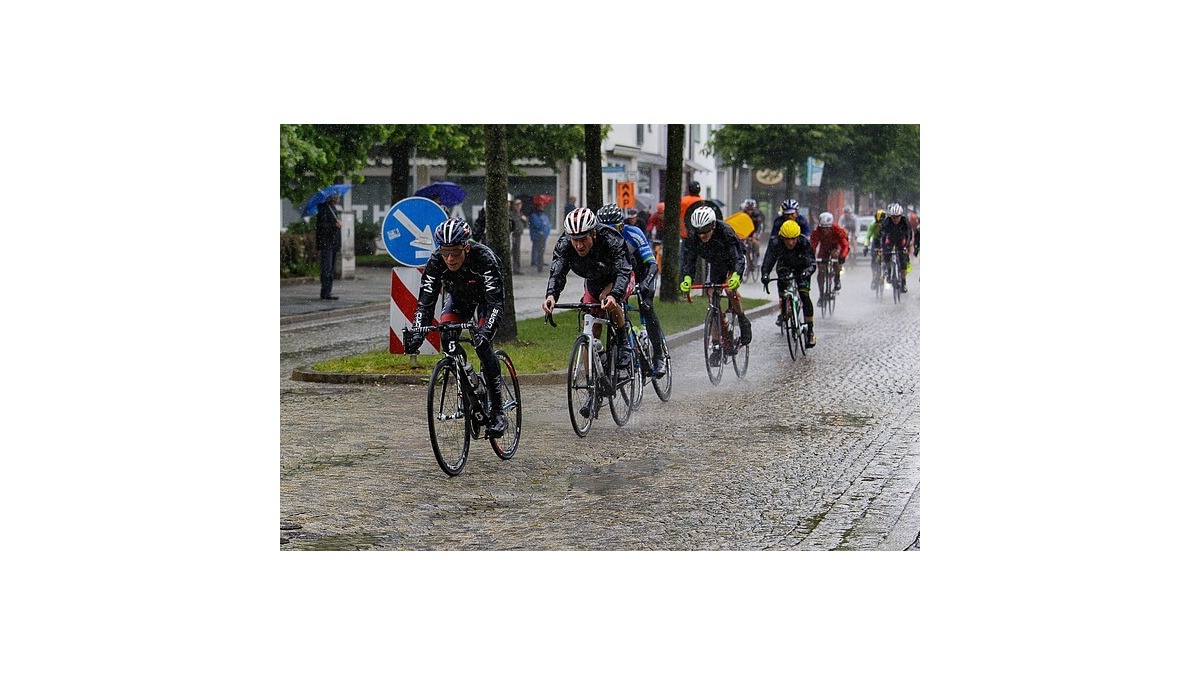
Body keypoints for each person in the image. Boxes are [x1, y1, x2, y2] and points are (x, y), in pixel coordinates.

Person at [403, 218, 509, 437]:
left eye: (455, 253)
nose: (449, 259)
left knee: (482, 345)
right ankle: (466, 376)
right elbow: (426, 301)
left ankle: (498, 412)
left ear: (466, 247)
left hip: (487, 302)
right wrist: (417, 332)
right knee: (447, 337)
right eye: (445, 252)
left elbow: (496, 303)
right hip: (459, 299)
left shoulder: (485, 259)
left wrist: (485, 333)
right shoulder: (436, 262)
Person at [541, 208, 636, 418]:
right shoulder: (566, 245)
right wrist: (551, 296)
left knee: (608, 301)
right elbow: (558, 270)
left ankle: (624, 345)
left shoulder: (610, 239)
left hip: (620, 278)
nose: (579, 245)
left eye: (583, 239)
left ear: (593, 233)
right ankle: (594, 388)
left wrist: (615, 294)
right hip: (594, 281)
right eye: (574, 240)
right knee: (590, 324)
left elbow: (623, 270)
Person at [597, 203, 667, 377]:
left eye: (613, 229)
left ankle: (659, 357)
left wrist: (645, 285)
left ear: (621, 226)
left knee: (646, 305)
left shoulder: (633, 234)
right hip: (618, 275)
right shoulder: (598, 239)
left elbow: (651, 263)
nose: (608, 233)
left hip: (642, 272)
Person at [679, 205, 753, 358]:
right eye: (699, 231)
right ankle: (717, 343)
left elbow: (738, 258)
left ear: (713, 225)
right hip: (716, 263)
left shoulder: (725, 231)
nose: (702, 235)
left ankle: (742, 318)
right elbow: (689, 261)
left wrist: (736, 276)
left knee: (729, 290)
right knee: (712, 296)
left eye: (706, 230)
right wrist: (687, 278)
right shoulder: (694, 237)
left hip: (734, 260)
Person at [760, 219, 817, 348]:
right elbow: (768, 260)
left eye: (793, 239)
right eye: (787, 239)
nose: (790, 242)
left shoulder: (803, 242)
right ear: (782, 237)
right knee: (783, 286)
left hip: (802, 268)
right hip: (784, 266)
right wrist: (765, 274)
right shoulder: (775, 243)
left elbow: (812, 263)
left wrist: (807, 272)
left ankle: (810, 330)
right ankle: (784, 309)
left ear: (797, 237)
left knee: (804, 295)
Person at [810, 211, 851, 294]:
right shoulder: (817, 230)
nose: (825, 230)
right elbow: (813, 244)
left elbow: (845, 245)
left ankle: (837, 278)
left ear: (831, 225)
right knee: (820, 271)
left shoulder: (838, 230)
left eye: (827, 227)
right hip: (824, 248)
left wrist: (842, 256)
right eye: (823, 228)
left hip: (835, 247)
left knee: (835, 256)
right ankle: (821, 293)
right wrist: (811, 257)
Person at [879, 203, 914, 292]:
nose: (895, 219)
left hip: (901, 239)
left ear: (901, 216)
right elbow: (882, 235)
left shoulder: (905, 221)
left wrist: (906, 247)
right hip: (890, 239)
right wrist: (882, 248)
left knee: (903, 261)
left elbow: (908, 235)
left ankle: (903, 282)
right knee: (886, 254)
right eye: (893, 217)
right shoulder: (887, 222)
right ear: (890, 216)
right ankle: (889, 271)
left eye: (897, 217)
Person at [315, 194, 342, 300]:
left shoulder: (333, 209)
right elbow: (321, 228)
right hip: (327, 244)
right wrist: (334, 225)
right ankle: (325, 292)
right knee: (327, 269)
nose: (338, 199)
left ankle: (328, 291)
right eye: (337, 197)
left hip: (333, 244)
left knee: (330, 269)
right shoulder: (324, 210)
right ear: (332, 199)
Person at [528, 200, 552, 273]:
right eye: (540, 206)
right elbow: (537, 224)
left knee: (542, 250)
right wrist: (543, 223)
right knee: (536, 249)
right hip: (537, 236)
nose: (541, 208)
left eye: (542, 206)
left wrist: (546, 231)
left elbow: (548, 225)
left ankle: (540, 261)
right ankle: (535, 261)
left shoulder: (544, 216)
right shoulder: (533, 216)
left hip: (543, 236)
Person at [867, 208, 885, 288]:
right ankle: (874, 277)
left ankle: (886, 271)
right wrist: (865, 246)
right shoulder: (872, 225)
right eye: (877, 222)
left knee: (887, 256)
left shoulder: (887, 225)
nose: (879, 224)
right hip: (876, 241)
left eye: (881, 222)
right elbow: (868, 236)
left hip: (885, 240)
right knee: (874, 259)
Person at [509, 198, 527, 274]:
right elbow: (512, 224)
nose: (518, 206)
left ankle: (517, 268)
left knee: (517, 252)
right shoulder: (512, 214)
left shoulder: (521, 213)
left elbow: (524, 224)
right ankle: (515, 268)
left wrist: (525, 220)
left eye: (520, 205)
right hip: (513, 235)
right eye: (517, 205)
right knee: (515, 252)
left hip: (518, 235)